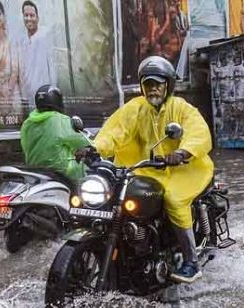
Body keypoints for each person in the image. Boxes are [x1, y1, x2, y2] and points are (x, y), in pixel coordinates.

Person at [78, 56, 214, 283]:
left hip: (185, 168)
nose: (153, 89)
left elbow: (198, 133)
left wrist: (182, 152)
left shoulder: (181, 108)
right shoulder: (135, 108)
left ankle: (192, 262)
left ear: (168, 85)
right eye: (148, 84)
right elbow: (114, 131)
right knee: (114, 196)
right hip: (146, 169)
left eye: (158, 84)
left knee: (173, 198)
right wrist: (93, 149)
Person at [20, 85, 90, 182]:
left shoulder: (27, 123)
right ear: (57, 101)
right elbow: (82, 142)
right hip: (62, 172)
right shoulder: (61, 120)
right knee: (86, 169)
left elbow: (25, 146)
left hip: (35, 172)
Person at [0, 0, 22, 116]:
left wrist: (8, 91)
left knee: (15, 125)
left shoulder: (11, 40)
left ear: (4, 16)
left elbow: (15, 69)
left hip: (11, 91)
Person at [19, 1, 56, 110]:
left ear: (37, 18)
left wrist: (53, 92)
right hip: (30, 97)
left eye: (32, 15)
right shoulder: (22, 40)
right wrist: (24, 97)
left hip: (45, 96)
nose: (29, 18)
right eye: (26, 15)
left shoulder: (45, 35)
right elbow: (22, 71)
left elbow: (52, 66)